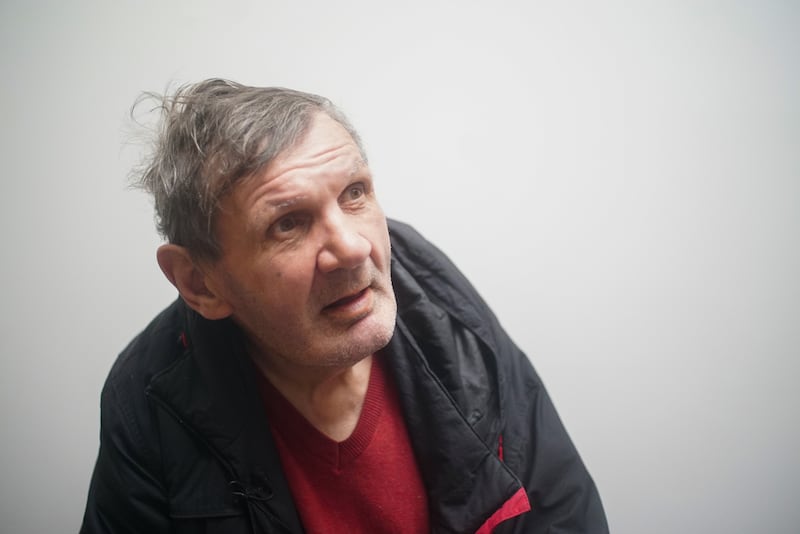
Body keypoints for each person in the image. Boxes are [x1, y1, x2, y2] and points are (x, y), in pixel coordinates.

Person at [80, 79, 608, 534]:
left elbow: (562, 511)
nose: (353, 248)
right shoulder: (149, 402)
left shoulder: (444, 310)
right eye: (288, 223)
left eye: (355, 193)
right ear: (201, 283)